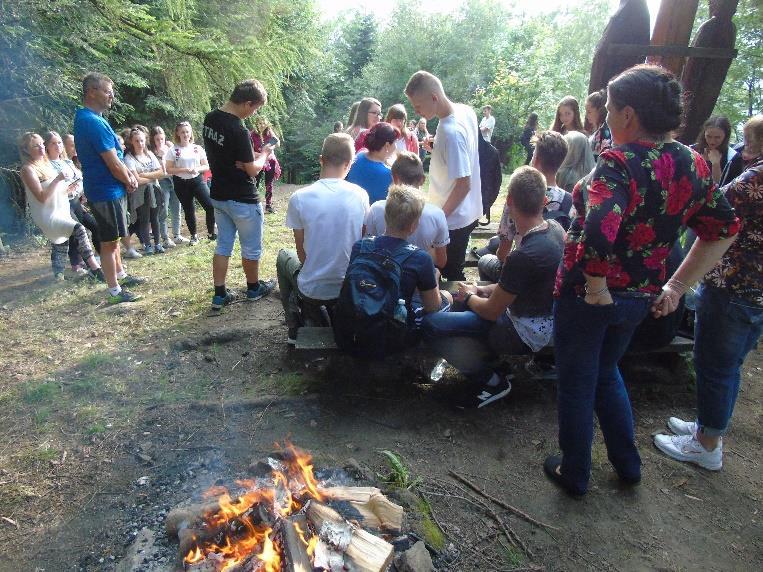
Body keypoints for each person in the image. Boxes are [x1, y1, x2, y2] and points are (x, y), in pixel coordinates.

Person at [545, 64, 739, 497]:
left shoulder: (619, 161)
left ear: (628, 114)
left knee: (577, 380)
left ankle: (574, 472)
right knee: (607, 370)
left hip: (589, 297)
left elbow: (598, 229)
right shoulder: (693, 164)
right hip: (642, 295)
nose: (608, 118)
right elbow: (724, 228)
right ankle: (627, 465)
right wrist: (677, 286)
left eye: (611, 109)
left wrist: (595, 286)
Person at [654, 114, 762, 471]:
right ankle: (708, 426)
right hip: (756, 292)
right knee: (729, 364)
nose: (745, 148)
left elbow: (709, 208)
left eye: (749, 140)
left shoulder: (753, 181)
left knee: (714, 364)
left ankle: (706, 445)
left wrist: (677, 283)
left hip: (733, 286)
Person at [423, 166, 566, 408]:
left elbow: (491, 312)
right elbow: (514, 287)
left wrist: (469, 297)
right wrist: (481, 290)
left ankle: (491, 381)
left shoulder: (525, 255)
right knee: (458, 301)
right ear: (544, 200)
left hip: (522, 331)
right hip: (545, 319)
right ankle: (494, 364)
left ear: (509, 201)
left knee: (431, 325)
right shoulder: (554, 230)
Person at [276, 133, 369, 343]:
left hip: (313, 288)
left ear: (321, 159)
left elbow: (301, 252)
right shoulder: (360, 194)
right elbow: (361, 240)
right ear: (349, 163)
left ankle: (294, 325)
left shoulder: (299, 198)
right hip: (347, 288)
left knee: (284, 256)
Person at [334, 185, 446, 356]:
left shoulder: (361, 246)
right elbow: (432, 307)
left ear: (386, 217)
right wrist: (435, 279)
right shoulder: (421, 258)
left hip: (351, 334)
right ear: (414, 225)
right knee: (447, 301)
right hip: (392, 340)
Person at [202, 79, 276, 311]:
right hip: (242, 198)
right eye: (254, 108)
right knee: (251, 247)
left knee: (223, 244)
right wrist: (264, 153)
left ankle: (220, 294)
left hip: (219, 195)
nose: (254, 113)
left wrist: (248, 159)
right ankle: (253, 289)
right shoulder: (238, 128)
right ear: (246, 103)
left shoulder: (210, 119)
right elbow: (253, 169)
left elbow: (229, 153)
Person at [73, 72, 144, 303]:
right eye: (107, 91)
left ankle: (121, 275)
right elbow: (112, 163)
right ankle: (114, 291)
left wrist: (128, 176)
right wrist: (128, 179)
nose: (111, 95)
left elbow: (117, 158)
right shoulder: (91, 121)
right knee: (109, 242)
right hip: (105, 190)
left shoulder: (93, 118)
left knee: (113, 238)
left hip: (109, 189)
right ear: (91, 92)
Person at [405, 70, 482, 281]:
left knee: (451, 274)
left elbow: (463, 185)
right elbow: (463, 153)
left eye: (418, 106)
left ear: (434, 98)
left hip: (454, 218)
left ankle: (458, 309)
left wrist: (438, 219)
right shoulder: (464, 111)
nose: (417, 111)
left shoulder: (451, 132)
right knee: (451, 268)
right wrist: (437, 147)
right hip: (468, 211)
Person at [479, 131, 571, 283]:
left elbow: (503, 253)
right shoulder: (570, 201)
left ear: (536, 159)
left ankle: (498, 298)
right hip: (553, 273)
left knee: (485, 260)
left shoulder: (517, 195)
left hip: (523, 268)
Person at [19, 133, 104, 282]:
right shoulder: (28, 170)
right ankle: (95, 268)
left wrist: (69, 189)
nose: (41, 148)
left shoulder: (45, 164)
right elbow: (41, 197)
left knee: (61, 241)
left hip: (60, 209)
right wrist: (58, 179)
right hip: (47, 214)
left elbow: (57, 192)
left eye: (41, 144)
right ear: (26, 150)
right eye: (35, 146)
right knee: (78, 229)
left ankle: (58, 275)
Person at [363, 151, 449, 268]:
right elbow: (441, 261)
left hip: (384, 278)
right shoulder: (437, 214)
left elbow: (368, 249)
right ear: (422, 179)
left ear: (394, 178)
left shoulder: (376, 208)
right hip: (419, 280)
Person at [44, 131, 100, 274]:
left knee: (94, 226)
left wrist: (80, 191)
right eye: (53, 143)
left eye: (59, 143)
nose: (58, 146)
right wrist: (66, 189)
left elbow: (79, 179)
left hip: (76, 201)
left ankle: (101, 257)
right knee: (75, 231)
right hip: (62, 204)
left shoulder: (67, 162)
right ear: (47, 146)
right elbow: (50, 188)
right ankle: (78, 265)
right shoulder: (47, 166)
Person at [165, 121, 215, 244]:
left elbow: (206, 166)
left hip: (197, 180)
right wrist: (184, 170)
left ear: (191, 133)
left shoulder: (197, 148)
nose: (185, 134)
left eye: (187, 131)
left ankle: (211, 233)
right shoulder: (173, 150)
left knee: (210, 206)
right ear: (178, 133)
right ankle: (194, 236)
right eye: (182, 132)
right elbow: (169, 169)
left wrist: (196, 169)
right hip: (181, 183)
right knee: (189, 209)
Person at [124, 127, 165, 255]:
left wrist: (144, 175)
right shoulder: (129, 158)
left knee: (155, 217)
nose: (140, 144)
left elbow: (161, 173)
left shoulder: (150, 154)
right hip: (141, 194)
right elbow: (136, 180)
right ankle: (147, 245)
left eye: (142, 140)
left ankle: (158, 244)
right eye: (137, 141)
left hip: (155, 190)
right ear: (132, 142)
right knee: (144, 219)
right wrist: (151, 176)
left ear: (145, 140)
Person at [149, 125, 184, 247]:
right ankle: (165, 238)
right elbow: (160, 171)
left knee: (177, 208)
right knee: (163, 210)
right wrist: (162, 156)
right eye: (157, 139)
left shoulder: (170, 147)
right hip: (162, 182)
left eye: (162, 139)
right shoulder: (151, 153)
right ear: (153, 140)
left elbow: (177, 163)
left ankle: (177, 235)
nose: (160, 142)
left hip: (174, 180)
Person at [345, 122, 398, 204]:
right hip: (373, 215)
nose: (396, 146)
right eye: (395, 142)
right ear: (387, 145)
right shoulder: (390, 175)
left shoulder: (359, 155)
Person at [249, 117, 282, 214]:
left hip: (270, 161)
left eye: (264, 123)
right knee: (255, 182)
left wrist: (270, 148)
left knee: (269, 183)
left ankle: (268, 205)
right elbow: (250, 152)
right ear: (256, 124)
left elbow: (277, 143)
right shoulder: (251, 135)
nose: (262, 125)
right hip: (258, 161)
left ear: (267, 124)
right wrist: (262, 154)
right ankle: (253, 203)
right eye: (259, 123)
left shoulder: (269, 133)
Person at [692, 115, 737, 184]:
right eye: (708, 136)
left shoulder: (733, 158)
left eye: (717, 137)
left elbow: (722, 188)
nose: (712, 141)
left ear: (726, 136)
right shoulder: (692, 150)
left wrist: (716, 165)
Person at [585, 89, 612, 159]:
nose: (586, 115)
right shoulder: (598, 129)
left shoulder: (605, 132)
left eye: (589, 112)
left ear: (599, 111)